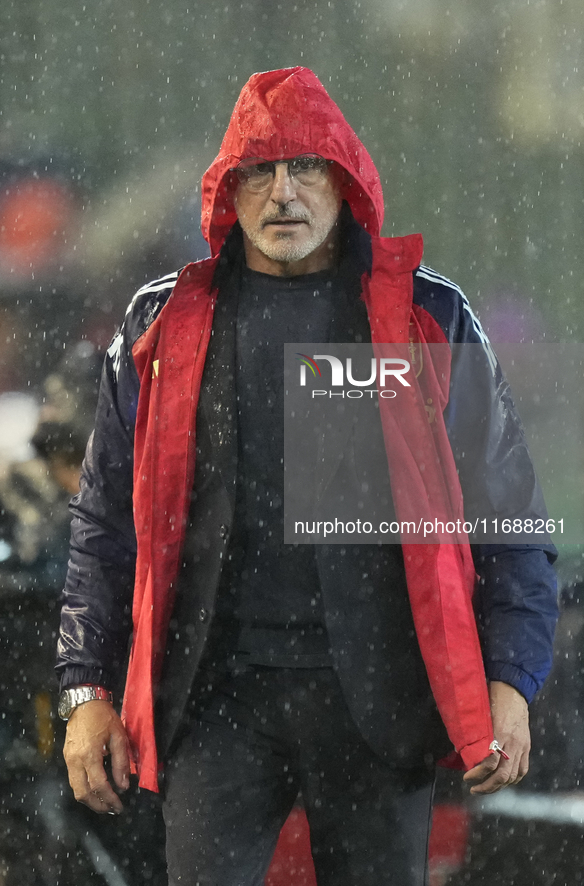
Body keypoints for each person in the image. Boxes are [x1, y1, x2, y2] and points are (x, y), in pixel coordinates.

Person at [57, 67, 558, 886]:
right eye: (258, 169)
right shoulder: (162, 322)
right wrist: (85, 692)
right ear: (225, 189)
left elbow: (507, 514)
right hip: (212, 701)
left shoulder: (426, 317)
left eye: (305, 167)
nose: (281, 192)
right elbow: (105, 524)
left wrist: (512, 680)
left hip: (380, 702)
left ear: (347, 180)